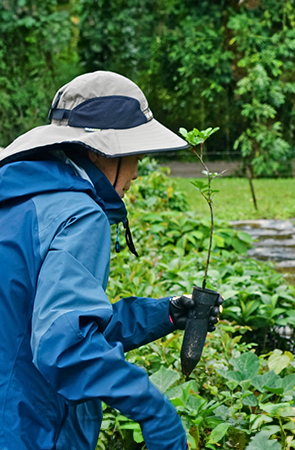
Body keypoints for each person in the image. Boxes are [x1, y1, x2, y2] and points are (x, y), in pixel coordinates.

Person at [0, 71, 222, 450]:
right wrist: (157, 412)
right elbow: (63, 345)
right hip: (30, 429)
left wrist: (164, 313)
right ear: (102, 153)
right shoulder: (79, 214)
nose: (135, 172)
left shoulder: (21, 200)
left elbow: (38, 324)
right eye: (134, 155)